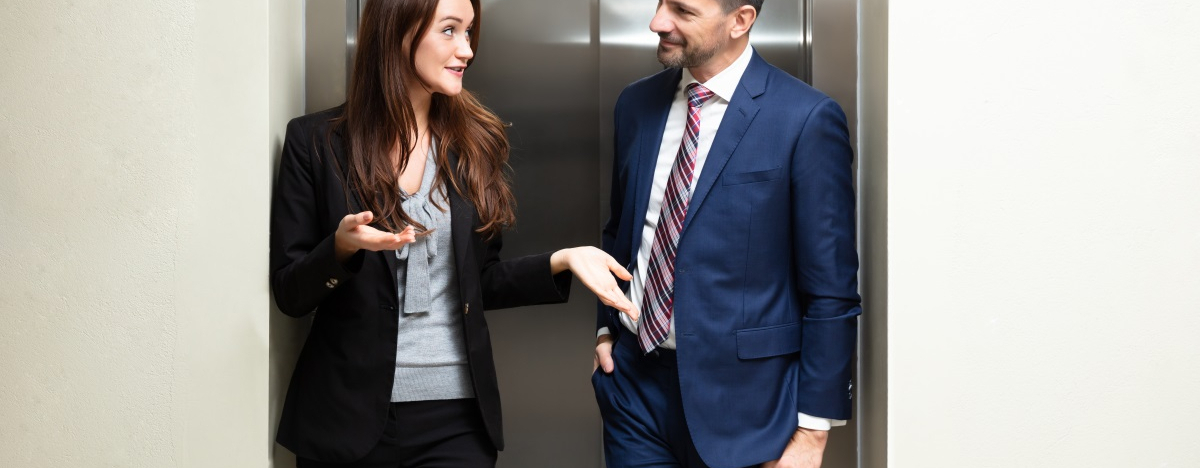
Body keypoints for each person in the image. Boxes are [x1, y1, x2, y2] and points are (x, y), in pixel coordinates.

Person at [270, 0, 635, 466]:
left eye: (469, 32)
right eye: (449, 31)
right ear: (398, 32)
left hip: (457, 421)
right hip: (346, 417)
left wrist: (561, 260)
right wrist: (341, 249)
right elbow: (290, 293)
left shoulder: (473, 145)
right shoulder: (316, 142)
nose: (466, 49)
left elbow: (479, 280)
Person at [591, 0, 861, 467]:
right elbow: (622, 232)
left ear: (741, 20)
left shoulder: (806, 118)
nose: (657, 22)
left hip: (746, 409)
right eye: (659, 4)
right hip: (634, 389)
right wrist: (605, 330)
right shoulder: (634, 104)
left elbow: (832, 290)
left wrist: (814, 431)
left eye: (682, 11)